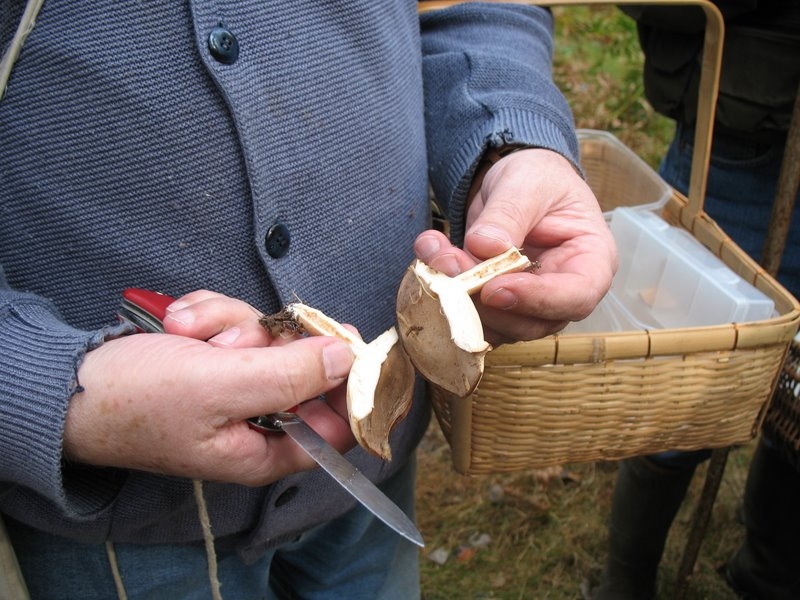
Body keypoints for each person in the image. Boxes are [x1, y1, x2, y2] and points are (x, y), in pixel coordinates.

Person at [0, 2, 617, 598]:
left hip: (372, 467)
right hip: (127, 524)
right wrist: (53, 386)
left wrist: (509, 138)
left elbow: (470, 10)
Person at [592, 2, 800, 599]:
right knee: (685, 385)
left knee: (796, 391)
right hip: (744, 139)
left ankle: (766, 571)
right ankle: (626, 584)